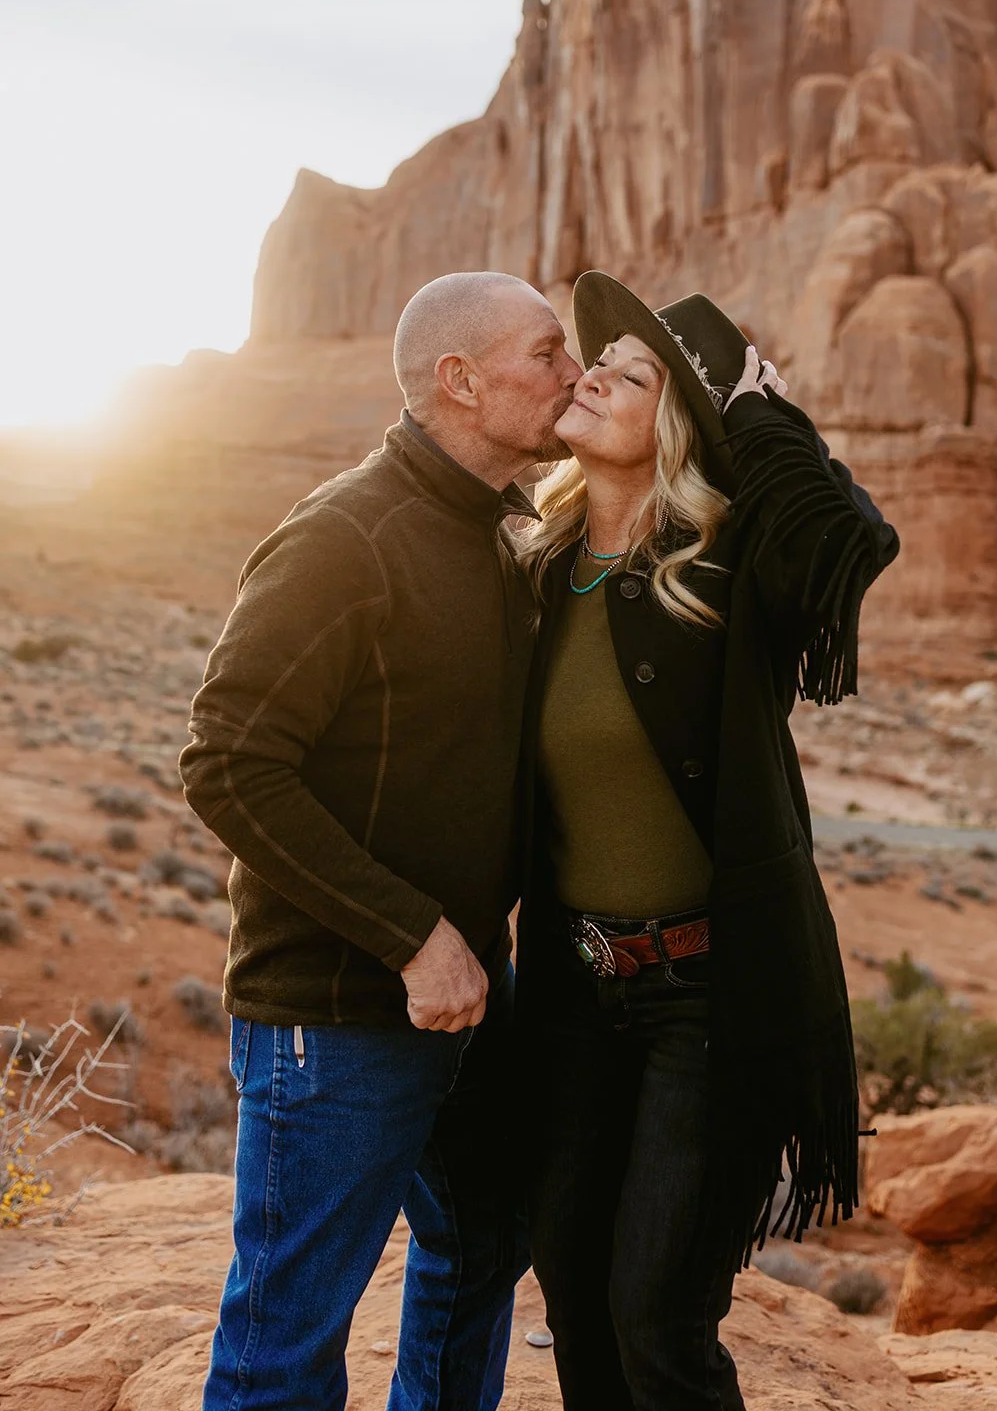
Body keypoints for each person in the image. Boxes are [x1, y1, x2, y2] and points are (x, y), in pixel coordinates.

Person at [179, 270, 581, 1411]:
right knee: (285, 1341)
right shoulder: (344, 539)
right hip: (335, 1014)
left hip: (465, 1000)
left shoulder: (498, 532)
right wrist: (414, 938)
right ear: (460, 379)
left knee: (478, 1249)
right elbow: (226, 761)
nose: (572, 372)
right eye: (546, 352)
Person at [513, 270, 900, 1411]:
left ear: (677, 426)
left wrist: (758, 408)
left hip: (706, 1000)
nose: (591, 373)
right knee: (574, 1291)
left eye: (630, 374)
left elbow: (849, 543)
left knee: (657, 1319)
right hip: (574, 993)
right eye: (594, 361)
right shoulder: (536, 570)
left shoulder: (725, 574)